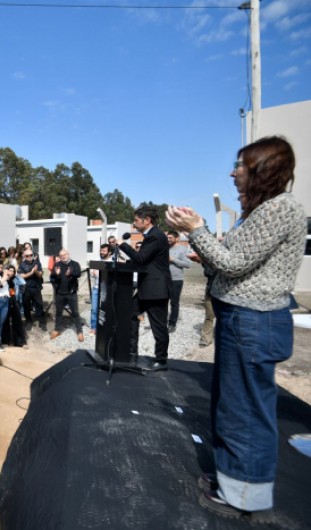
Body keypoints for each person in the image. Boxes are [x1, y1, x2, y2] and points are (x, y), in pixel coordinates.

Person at [166, 136, 305, 518]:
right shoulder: (261, 211)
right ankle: (232, 479)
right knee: (231, 405)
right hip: (244, 318)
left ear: (263, 169)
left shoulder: (279, 209)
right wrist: (205, 247)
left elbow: (232, 264)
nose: (232, 172)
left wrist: (197, 229)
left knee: (244, 411)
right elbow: (230, 261)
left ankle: (244, 495)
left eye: (240, 166)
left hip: (253, 322)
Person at [118, 205, 171, 371]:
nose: (133, 223)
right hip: (146, 289)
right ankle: (132, 352)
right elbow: (146, 261)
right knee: (131, 314)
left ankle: (161, 360)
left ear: (147, 220)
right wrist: (125, 263)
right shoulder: (150, 236)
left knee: (158, 326)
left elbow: (141, 258)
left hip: (156, 290)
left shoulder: (156, 236)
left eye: (136, 220)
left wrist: (123, 245)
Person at [49, 249, 84, 342]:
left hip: (71, 293)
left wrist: (70, 273)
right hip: (60, 293)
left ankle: (79, 331)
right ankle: (57, 330)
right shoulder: (57, 264)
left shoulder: (74, 264)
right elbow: (52, 275)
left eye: (65, 254)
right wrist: (56, 274)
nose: (63, 256)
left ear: (68, 254)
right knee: (59, 312)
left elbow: (78, 274)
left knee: (75, 312)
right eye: (61, 255)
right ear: (59, 257)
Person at [166, 230, 192, 333]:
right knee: (162, 301)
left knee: (174, 302)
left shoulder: (183, 249)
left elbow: (188, 264)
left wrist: (172, 260)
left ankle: (172, 324)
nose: (168, 239)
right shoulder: (166, 248)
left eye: (170, 238)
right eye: (167, 238)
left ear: (177, 238)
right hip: (164, 280)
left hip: (176, 280)